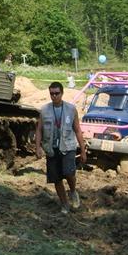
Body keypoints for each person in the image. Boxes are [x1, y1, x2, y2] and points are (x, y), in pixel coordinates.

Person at [35, 81, 87, 214]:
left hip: (68, 146)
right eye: (51, 94)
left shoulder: (71, 109)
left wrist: (82, 150)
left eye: (57, 93)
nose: (54, 96)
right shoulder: (45, 110)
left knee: (69, 173)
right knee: (56, 178)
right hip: (51, 149)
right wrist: (38, 147)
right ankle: (64, 204)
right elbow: (39, 130)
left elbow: (77, 130)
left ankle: (73, 192)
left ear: (62, 93)